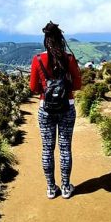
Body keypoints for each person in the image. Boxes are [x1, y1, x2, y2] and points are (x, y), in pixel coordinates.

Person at [30, 21, 82, 199]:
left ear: (46, 40)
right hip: (67, 108)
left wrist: (46, 90)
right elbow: (78, 84)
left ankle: (51, 188)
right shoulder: (69, 59)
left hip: (46, 109)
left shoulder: (37, 60)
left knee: (47, 149)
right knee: (65, 148)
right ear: (61, 40)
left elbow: (33, 88)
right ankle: (66, 188)